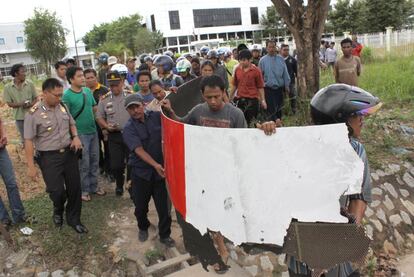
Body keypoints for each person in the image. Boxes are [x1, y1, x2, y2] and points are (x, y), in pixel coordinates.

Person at [161, 75, 277, 273]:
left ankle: (231, 239)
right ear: (202, 96)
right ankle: (220, 245)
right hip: (205, 171)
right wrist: (169, 111)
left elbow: (244, 143)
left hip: (228, 172)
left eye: (216, 96)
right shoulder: (198, 111)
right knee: (210, 208)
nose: (213, 101)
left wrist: (262, 133)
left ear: (224, 93)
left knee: (228, 206)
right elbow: (183, 126)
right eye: (208, 97)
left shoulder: (235, 114)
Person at [286, 84, 381, 277]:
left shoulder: (355, 150)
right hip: (302, 247)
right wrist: (266, 135)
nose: (362, 120)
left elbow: (358, 199)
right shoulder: (295, 145)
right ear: (340, 120)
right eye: (356, 115)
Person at [24, 78, 87, 233]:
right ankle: (58, 209)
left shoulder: (63, 106)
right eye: (56, 95)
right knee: (56, 191)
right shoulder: (33, 114)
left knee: (74, 188)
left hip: (69, 154)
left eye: (61, 95)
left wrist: (76, 137)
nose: (59, 98)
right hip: (49, 157)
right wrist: (31, 166)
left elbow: (72, 123)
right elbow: (28, 141)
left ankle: (74, 219)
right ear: (45, 93)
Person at [122, 94, 175, 247]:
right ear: (127, 111)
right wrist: (155, 165)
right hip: (141, 173)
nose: (135, 111)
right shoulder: (128, 128)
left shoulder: (157, 116)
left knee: (164, 207)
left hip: (161, 172)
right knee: (140, 206)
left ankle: (165, 235)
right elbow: (138, 150)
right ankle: (143, 227)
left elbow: (173, 123)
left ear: (143, 105)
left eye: (137, 106)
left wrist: (170, 110)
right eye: (130, 108)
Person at [63, 67, 105, 201]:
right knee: (84, 163)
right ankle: (84, 190)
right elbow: (66, 118)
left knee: (95, 160)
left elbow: (94, 109)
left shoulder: (87, 91)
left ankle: (94, 186)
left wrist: (101, 126)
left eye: (83, 76)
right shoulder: (67, 96)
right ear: (71, 79)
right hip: (80, 135)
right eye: (79, 76)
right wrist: (72, 137)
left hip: (93, 131)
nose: (83, 78)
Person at [96, 71, 131, 196]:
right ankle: (119, 185)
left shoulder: (130, 96)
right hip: (114, 136)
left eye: (117, 84)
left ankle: (130, 184)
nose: (114, 88)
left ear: (122, 82)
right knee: (116, 164)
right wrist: (106, 126)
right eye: (111, 85)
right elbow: (99, 116)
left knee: (132, 162)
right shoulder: (104, 99)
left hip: (130, 134)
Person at [0, 115, 29, 229]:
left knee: (11, 183)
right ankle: (4, 219)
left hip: (1, 151)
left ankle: (19, 215)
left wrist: (4, 135)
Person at [84, 68, 111, 178]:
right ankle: (101, 166)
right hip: (91, 125)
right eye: (87, 78)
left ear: (97, 77)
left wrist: (106, 126)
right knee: (96, 149)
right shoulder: (83, 92)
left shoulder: (105, 90)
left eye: (92, 77)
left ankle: (109, 169)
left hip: (104, 124)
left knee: (108, 147)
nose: (90, 80)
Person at [2, 64, 38, 144]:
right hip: (19, 117)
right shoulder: (8, 87)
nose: (25, 73)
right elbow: (9, 104)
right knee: (25, 138)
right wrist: (20, 104)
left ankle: (38, 153)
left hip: (32, 114)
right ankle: (29, 154)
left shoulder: (30, 84)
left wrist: (31, 104)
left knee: (36, 136)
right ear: (16, 74)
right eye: (22, 71)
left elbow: (36, 98)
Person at [230, 49, 266, 125]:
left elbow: (260, 86)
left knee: (252, 122)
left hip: (252, 100)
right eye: (240, 60)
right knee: (240, 121)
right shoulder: (237, 70)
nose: (242, 62)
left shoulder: (256, 71)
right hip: (240, 100)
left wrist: (263, 100)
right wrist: (230, 97)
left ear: (250, 59)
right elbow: (234, 85)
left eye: (244, 60)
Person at [259, 40, 290, 121]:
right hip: (268, 89)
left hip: (279, 89)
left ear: (276, 48)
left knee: (279, 110)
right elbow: (260, 77)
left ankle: (279, 126)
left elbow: (285, 74)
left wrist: (287, 86)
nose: (272, 49)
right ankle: (272, 125)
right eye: (270, 47)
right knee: (271, 111)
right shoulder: (262, 61)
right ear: (266, 48)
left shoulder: (281, 59)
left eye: (273, 47)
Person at [280, 44, 298, 114]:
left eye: (287, 50)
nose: (286, 51)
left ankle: (294, 111)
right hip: (281, 82)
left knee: (293, 96)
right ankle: (283, 112)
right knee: (282, 98)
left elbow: (296, 71)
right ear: (281, 50)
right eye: (284, 50)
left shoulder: (292, 60)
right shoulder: (278, 59)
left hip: (291, 82)